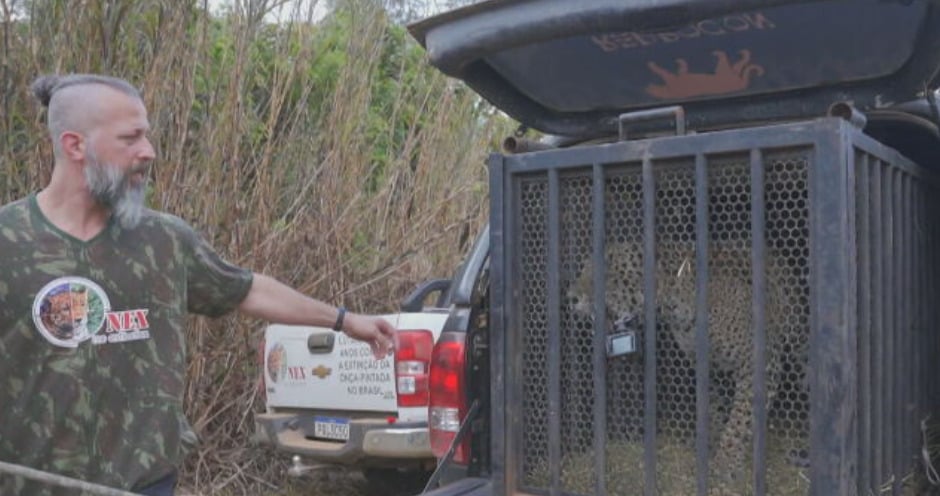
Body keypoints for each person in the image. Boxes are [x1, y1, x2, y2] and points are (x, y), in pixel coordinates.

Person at [0, 73, 398, 495]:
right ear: (75, 145)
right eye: (130, 138)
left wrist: (344, 320)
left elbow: (248, 289)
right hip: (31, 483)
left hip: (144, 482)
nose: (148, 152)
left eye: (147, 137)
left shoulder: (164, 240)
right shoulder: (9, 240)